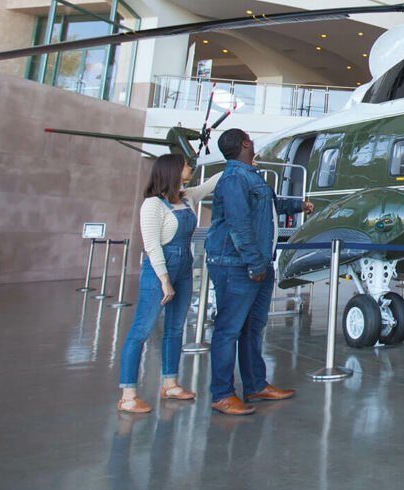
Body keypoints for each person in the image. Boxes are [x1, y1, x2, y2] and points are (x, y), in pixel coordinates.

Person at [205, 128, 313, 415]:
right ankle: (222, 394)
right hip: (237, 265)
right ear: (243, 144)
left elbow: (268, 205)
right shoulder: (233, 179)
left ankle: (255, 385)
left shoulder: (249, 176)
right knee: (228, 330)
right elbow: (239, 225)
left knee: (252, 329)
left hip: (257, 263)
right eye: (250, 140)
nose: (253, 144)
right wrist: (254, 263)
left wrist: (298, 204)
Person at [117, 154, 221, 414]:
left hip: (184, 267)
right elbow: (152, 246)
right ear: (173, 170)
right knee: (141, 329)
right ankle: (128, 395)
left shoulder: (187, 198)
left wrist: (239, 163)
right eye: (186, 165)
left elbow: (212, 183)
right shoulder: (152, 205)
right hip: (159, 271)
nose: (190, 168)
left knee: (175, 330)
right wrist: (165, 281)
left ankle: (170, 383)